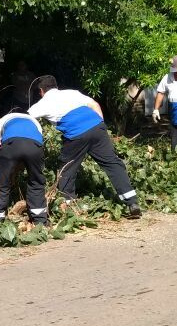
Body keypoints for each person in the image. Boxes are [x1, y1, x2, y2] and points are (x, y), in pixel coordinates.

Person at [27, 75, 141, 219]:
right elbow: (94, 104)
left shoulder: (42, 103)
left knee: (66, 169)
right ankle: (132, 202)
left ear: (41, 91)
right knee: (112, 162)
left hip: (76, 134)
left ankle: (69, 207)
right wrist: (101, 126)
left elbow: (25, 118)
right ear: (56, 86)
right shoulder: (72, 93)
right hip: (97, 127)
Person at [0, 111, 48, 227]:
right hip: (35, 147)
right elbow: (33, 142)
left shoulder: (3, 120)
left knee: (2, 182)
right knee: (36, 182)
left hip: (11, 146)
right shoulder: (34, 122)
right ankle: (40, 222)